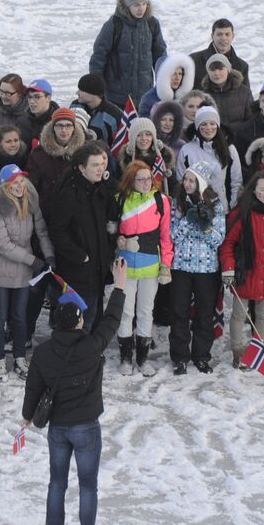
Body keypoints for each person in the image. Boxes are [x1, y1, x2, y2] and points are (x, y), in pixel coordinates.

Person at [21, 257, 128, 525]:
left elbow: (33, 389)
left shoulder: (42, 352)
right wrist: (119, 286)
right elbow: (111, 319)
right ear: (79, 322)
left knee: (57, 483)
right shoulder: (91, 346)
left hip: (57, 429)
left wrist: (27, 417)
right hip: (86, 428)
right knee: (88, 487)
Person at [0, 165, 55, 381]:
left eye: (22, 181)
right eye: (14, 183)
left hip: (24, 270)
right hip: (0, 270)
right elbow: (4, 245)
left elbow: (42, 230)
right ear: (5, 185)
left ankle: (19, 358)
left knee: (20, 317)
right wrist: (34, 260)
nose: (19, 186)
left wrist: (49, 255)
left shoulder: (30, 200)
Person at [113, 160, 172, 376]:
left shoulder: (161, 200)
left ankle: (143, 358)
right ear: (131, 180)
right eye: (141, 179)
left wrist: (166, 264)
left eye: (149, 178)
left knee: (146, 311)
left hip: (151, 266)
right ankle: (126, 358)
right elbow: (110, 232)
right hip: (125, 266)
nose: (147, 183)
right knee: (126, 312)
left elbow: (166, 236)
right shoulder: (119, 200)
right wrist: (120, 241)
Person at [220, 174, 264, 366]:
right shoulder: (241, 214)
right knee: (240, 315)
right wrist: (229, 269)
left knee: (263, 314)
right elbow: (229, 244)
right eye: (262, 189)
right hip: (245, 273)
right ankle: (238, 351)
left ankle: (259, 350)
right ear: (253, 190)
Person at [47, 144, 114, 328]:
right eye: (95, 165)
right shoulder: (69, 194)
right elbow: (57, 231)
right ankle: (75, 355)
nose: (100, 169)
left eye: (102, 163)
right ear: (81, 168)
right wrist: (80, 255)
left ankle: (89, 355)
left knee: (93, 317)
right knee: (77, 321)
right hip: (77, 271)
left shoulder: (99, 190)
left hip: (97, 269)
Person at [168, 165, 226, 374]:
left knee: (204, 313)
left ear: (202, 183)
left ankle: (201, 356)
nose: (187, 184)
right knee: (179, 312)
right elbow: (173, 236)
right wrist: (187, 220)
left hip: (206, 268)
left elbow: (218, 239)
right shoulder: (178, 203)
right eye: (185, 179)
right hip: (182, 266)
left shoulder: (216, 205)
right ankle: (180, 356)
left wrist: (205, 224)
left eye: (192, 180)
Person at [89, 0, 167, 108]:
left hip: (145, 95)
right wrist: (98, 89)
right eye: (136, 5)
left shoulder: (152, 23)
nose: (141, 8)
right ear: (127, 5)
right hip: (116, 97)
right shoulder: (114, 25)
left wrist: (165, 81)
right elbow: (98, 58)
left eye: (143, 4)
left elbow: (160, 55)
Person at [176, 105, 242, 207]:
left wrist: (233, 206)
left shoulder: (230, 149)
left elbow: (236, 181)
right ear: (198, 126)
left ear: (218, 125)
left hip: (221, 208)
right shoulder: (186, 150)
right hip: (195, 208)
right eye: (204, 124)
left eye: (212, 123)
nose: (208, 128)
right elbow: (181, 181)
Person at [196, 53, 255, 129]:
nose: (217, 73)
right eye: (212, 69)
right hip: (215, 139)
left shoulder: (244, 92)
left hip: (239, 138)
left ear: (228, 70)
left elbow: (251, 120)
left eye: (220, 69)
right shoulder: (203, 96)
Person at [189, 17, 250, 88]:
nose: (224, 38)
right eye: (219, 34)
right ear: (212, 36)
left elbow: (246, 97)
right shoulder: (194, 61)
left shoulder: (242, 66)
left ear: (232, 36)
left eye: (227, 34)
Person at [137, 52, 197, 117]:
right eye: (174, 73)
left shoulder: (186, 98)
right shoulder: (148, 99)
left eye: (180, 74)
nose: (177, 78)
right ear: (163, 75)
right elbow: (144, 124)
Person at [72, 74, 124, 145]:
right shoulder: (75, 105)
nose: (77, 93)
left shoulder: (114, 115)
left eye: (81, 90)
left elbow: (119, 142)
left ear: (93, 94)